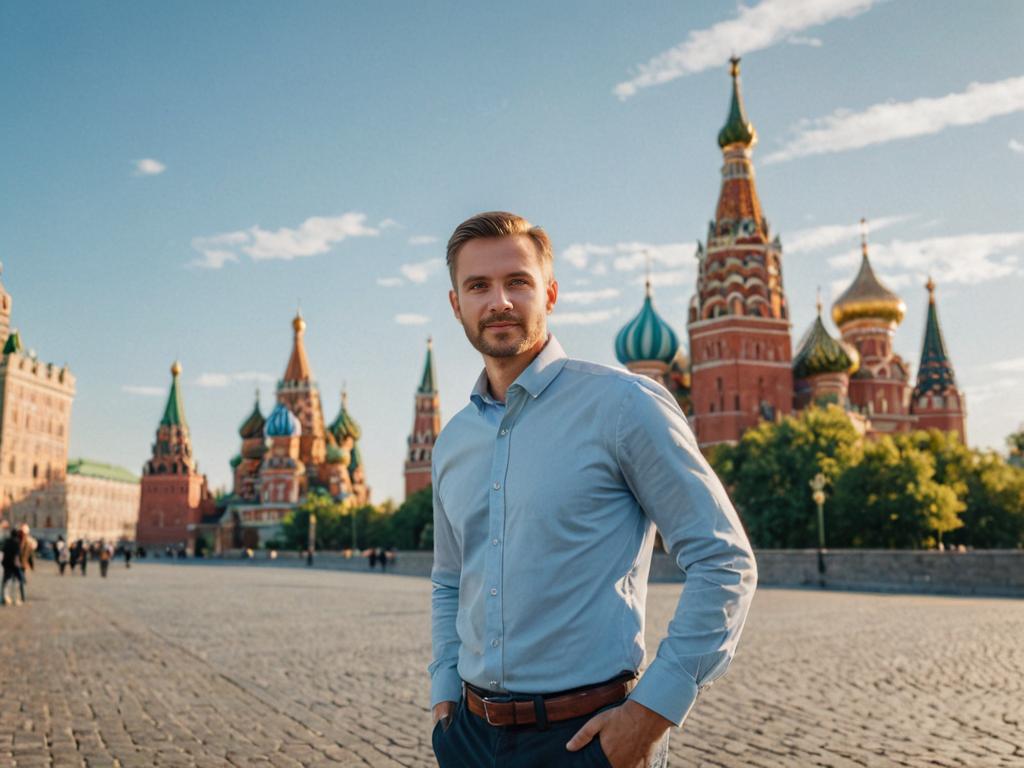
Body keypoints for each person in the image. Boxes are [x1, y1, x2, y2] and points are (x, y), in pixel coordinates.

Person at [429, 212, 758, 768]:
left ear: (550, 293)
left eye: (518, 282)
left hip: (590, 740)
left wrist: (650, 715)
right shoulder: (453, 441)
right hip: (470, 738)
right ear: (456, 304)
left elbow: (724, 560)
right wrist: (444, 696)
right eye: (478, 286)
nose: (500, 302)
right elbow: (448, 579)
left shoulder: (624, 405)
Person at [1, 527, 27, 605]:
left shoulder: (7, 542)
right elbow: (16, 556)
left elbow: (4, 552)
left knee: (6, 582)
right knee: (17, 582)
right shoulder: (16, 543)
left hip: (6, 564)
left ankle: (5, 598)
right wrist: (18, 566)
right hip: (13, 565)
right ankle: (15, 599)